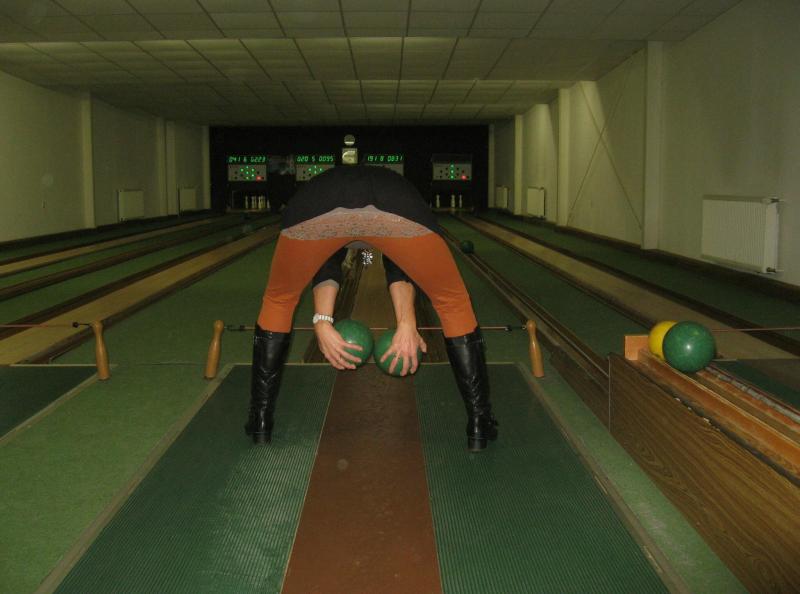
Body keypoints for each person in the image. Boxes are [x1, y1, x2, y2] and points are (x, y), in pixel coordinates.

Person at [244, 164, 498, 452]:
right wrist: (406, 323)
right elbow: (398, 262)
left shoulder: (325, 196)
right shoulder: (395, 187)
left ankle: (260, 420)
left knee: (279, 300)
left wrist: (322, 321)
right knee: (453, 302)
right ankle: (479, 422)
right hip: (397, 204)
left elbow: (326, 260)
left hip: (312, 207)